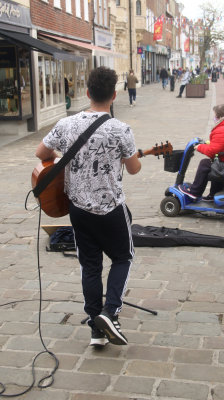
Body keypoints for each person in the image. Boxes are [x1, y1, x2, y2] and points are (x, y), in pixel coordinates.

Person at [35, 66, 141, 347]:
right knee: (122, 258)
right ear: (114, 95)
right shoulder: (121, 129)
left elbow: (40, 153)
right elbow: (133, 169)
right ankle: (110, 311)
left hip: (78, 209)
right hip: (110, 208)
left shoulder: (66, 124)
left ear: (86, 92)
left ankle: (96, 330)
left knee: (90, 265)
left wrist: (67, 160)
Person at [178, 104, 224, 202]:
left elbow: (212, 152)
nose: (214, 118)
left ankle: (194, 192)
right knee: (215, 162)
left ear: (220, 117)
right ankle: (214, 194)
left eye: (215, 116)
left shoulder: (222, 129)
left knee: (205, 163)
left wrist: (199, 147)